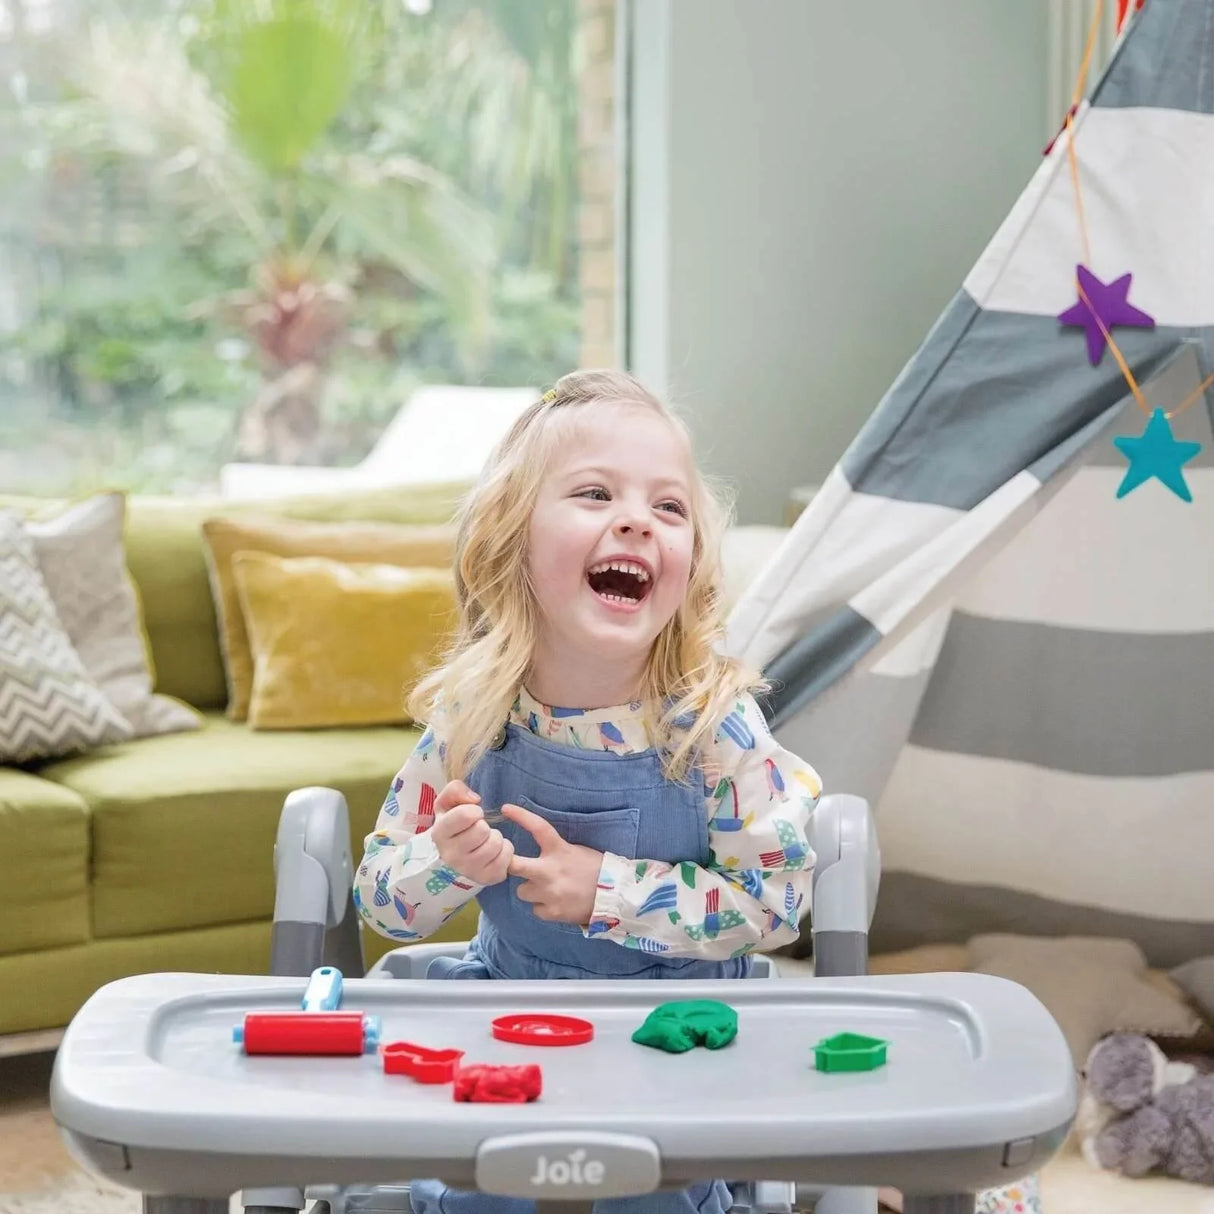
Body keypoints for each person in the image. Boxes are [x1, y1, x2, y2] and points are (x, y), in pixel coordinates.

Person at [353, 369, 818, 1213]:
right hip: (508, 1023)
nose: (637, 519)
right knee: (473, 1191)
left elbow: (777, 903)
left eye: (669, 506)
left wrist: (607, 890)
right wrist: (447, 862)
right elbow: (384, 902)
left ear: (690, 562)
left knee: (650, 1192)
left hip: (676, 1038)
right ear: (512, 539)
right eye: (596, 493)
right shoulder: (471, 718)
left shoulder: (719, 728)